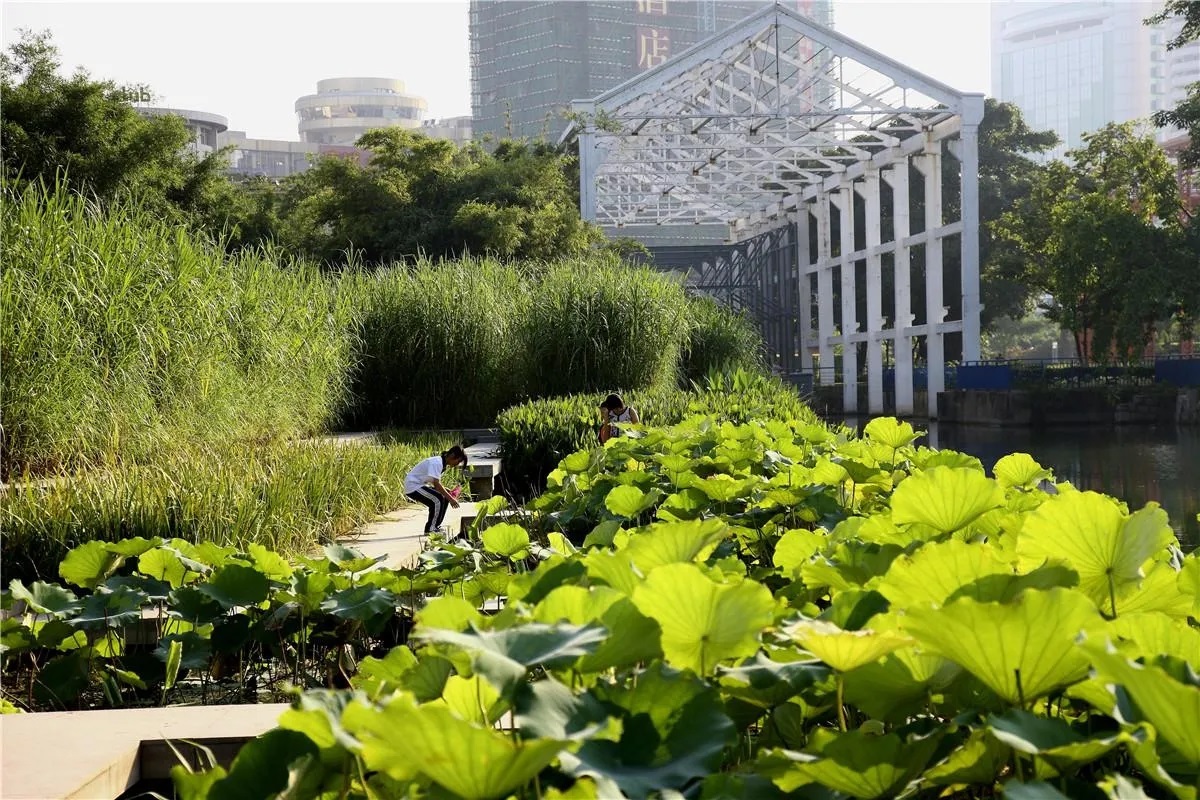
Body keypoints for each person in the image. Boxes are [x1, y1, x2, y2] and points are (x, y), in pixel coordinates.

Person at [404, 445, 468, 534]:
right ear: (452, 455)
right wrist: (451, 499)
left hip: (420, 485)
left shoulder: (442, 463)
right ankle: (430, 529)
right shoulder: (437, 463)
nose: (457, 464)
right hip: (413, 486)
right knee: (438, 499)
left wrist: (447, 494)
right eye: (458, 461)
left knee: (444, 496)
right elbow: (437, 485)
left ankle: (436, 526)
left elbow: (434, 481)